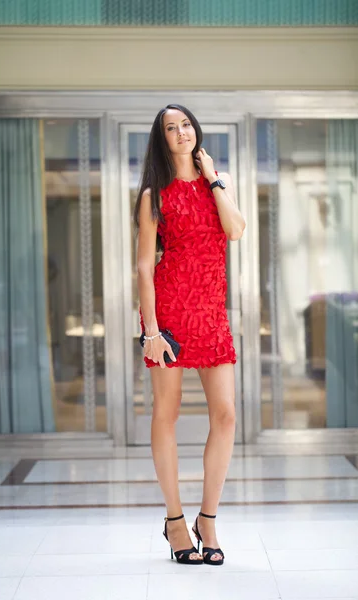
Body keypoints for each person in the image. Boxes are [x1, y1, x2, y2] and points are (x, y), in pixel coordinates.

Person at [133, 104, 245, 566]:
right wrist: (151, 331)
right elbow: (143, 265)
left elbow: (235, 230)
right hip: (171, 313)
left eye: (186, 124)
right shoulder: (152, 194)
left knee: (226, 416)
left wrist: (214, 176)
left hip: (211, 311)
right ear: (162, 139)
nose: (181, 132)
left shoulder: (216, 184)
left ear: (195, 130)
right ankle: (175, 522)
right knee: (168, 413)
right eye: (170, 128)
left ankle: (209, 519)